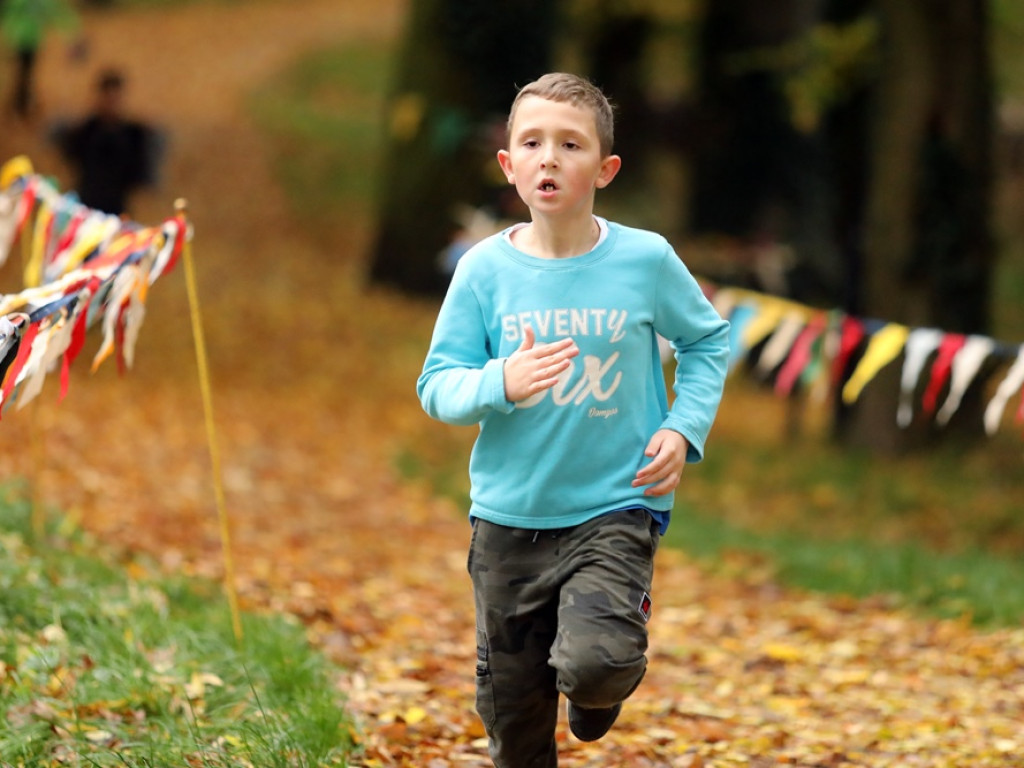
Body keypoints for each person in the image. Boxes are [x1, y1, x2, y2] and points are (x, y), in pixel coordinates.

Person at [416, 73, 730, 767]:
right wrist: (501, 380)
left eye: (570, 144)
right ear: (509, 165)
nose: (549, 157)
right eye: (532, 142)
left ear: (606, 169)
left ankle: (599, 687)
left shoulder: (645, 260)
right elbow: (437, 386)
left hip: (616, 502)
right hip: (507, 516)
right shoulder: (482, 271)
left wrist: (683, 427)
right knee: (514, 718)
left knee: (597, 661)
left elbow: (707, 341)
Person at [52, 68, 161, 215]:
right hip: (86, 207)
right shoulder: (86, 131)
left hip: (116, 207)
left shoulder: (133, 134)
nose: (111, 103)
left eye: (115, 98)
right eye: (107, 97)